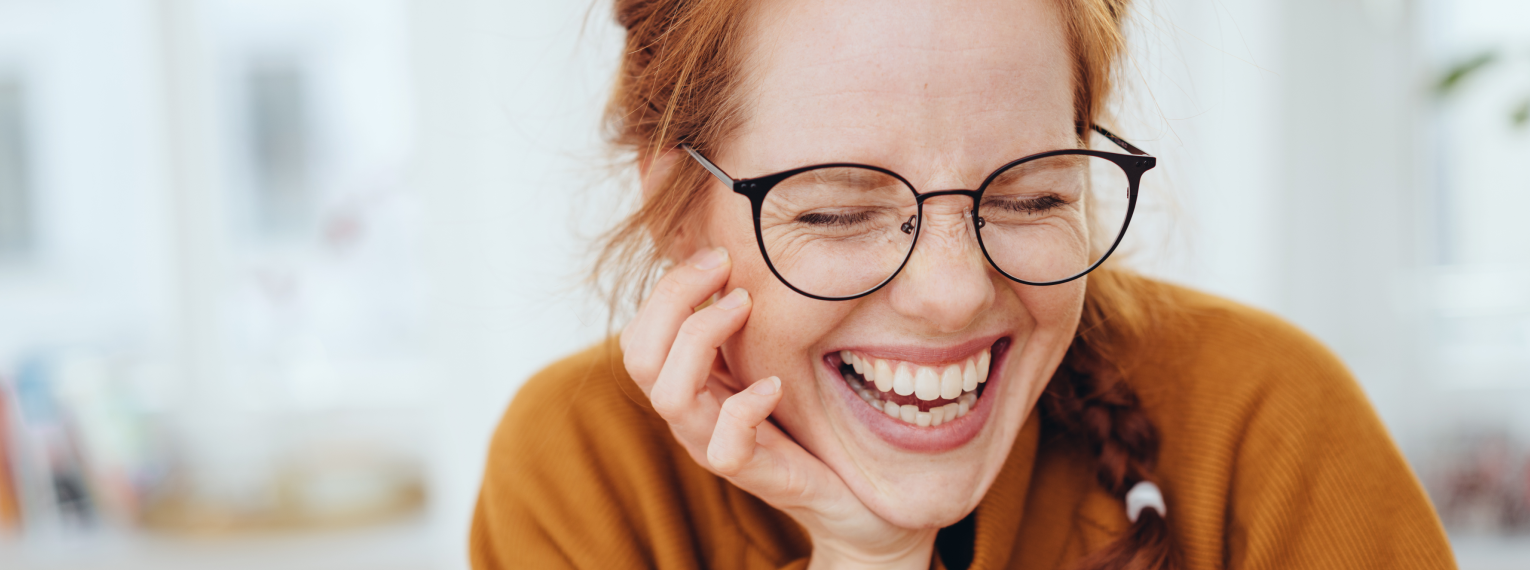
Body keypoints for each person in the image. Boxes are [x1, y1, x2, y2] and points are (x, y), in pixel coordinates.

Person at [470, 0, 1457, 568]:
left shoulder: (1266, 424)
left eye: (1030, 198)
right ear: (677, 199)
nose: (952, 293)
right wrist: (869, 561)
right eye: (836, 211)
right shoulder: (582, 474)